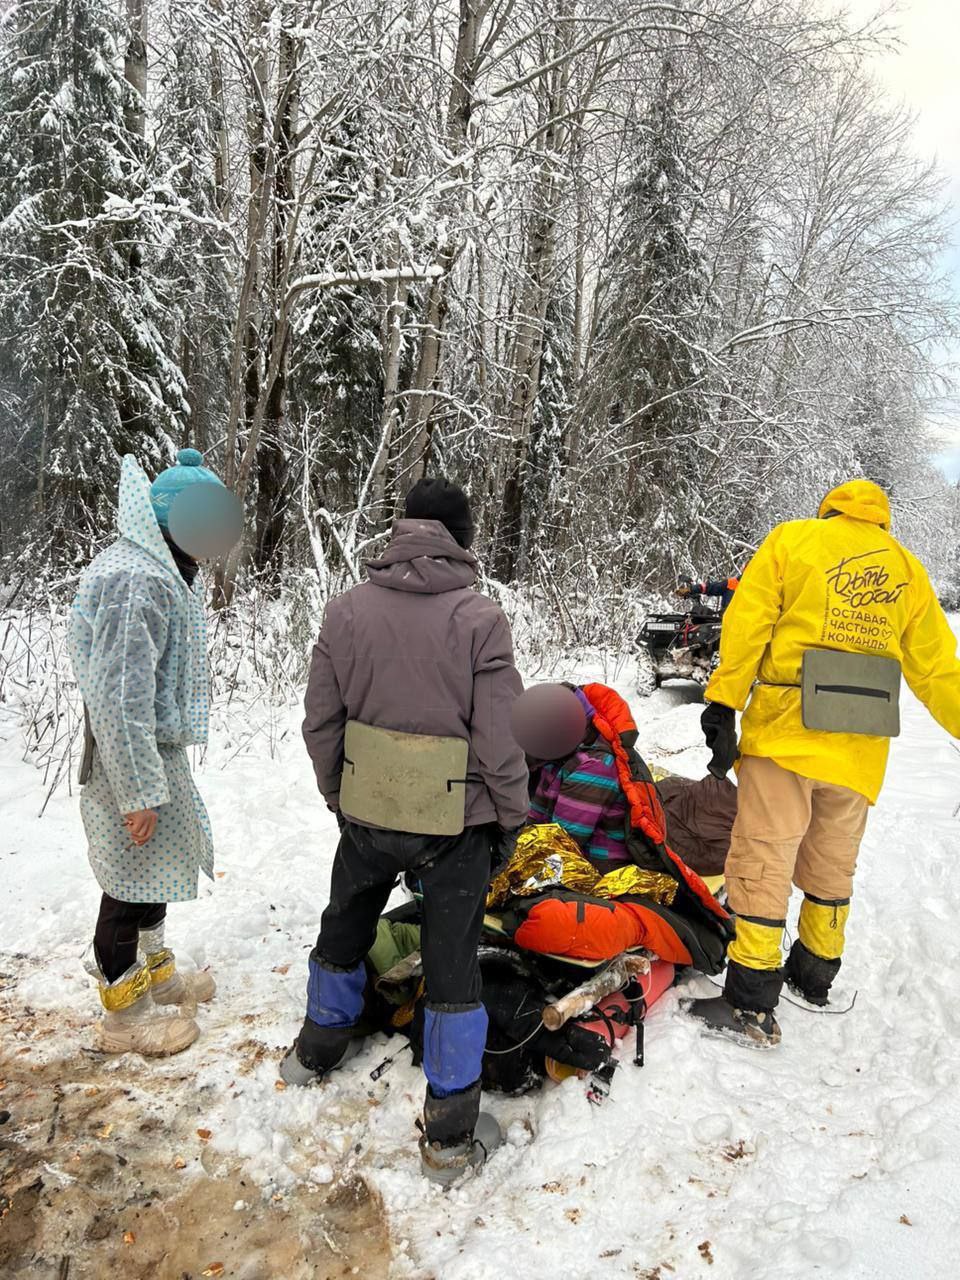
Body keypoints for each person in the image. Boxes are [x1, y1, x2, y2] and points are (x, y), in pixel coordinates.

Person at [282, 476, 529, 1186]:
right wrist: (511, 817)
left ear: (403, 533)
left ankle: (316, 1051)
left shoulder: (347, 609)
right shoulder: (481, 618)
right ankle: (448, 1135)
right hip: (454, 824)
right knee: (454, 963)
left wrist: (339, 793)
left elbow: (321, 721)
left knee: (346, 919)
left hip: (367, 806)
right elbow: (499, 741)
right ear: (462, 538)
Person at [686, 479, 960, 1047]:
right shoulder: (906, 568)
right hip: (860, 745)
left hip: (789, 727)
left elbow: (748, 623)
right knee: (833, 860)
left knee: (764, 852)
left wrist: (724, 699)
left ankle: (751, 999)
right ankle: (813, 975)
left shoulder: (794, 541)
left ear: (830, 508)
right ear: (881, 521)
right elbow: (937, 666)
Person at [68, 450, 226, 1057]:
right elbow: (119, 695)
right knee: (127, 879)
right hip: (125, 755)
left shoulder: (160, 568)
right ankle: (123, 1015)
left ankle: (156, 975)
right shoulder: (136, 579)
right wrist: (138, 792)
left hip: (150, 752)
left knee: (155, 865)